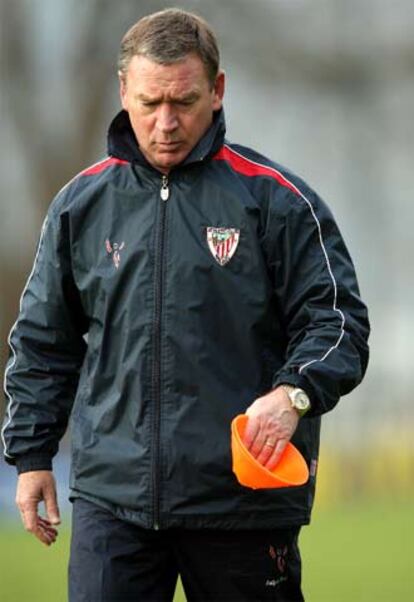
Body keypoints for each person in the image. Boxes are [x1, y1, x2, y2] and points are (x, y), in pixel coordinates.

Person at [2, 8, 369, 601]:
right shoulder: (81, 204)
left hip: (240, 503)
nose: (166, 123)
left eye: (184, 101)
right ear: (124, 92)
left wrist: (293, 394)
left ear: (217, 92)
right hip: (111, 504)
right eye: (149, 103)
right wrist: (31, 455)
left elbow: (338, 324)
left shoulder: (277, 201)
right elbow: (44, 342)